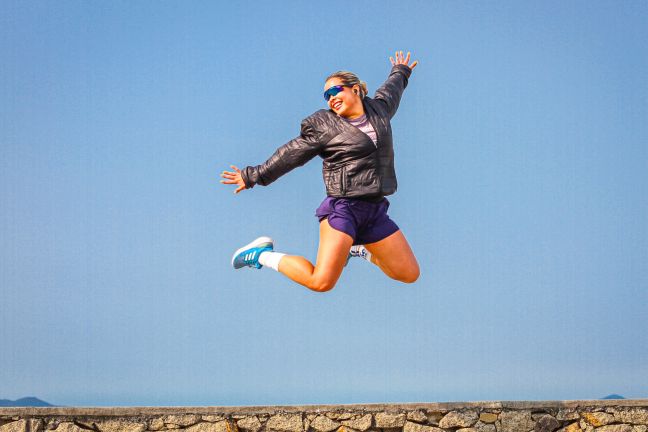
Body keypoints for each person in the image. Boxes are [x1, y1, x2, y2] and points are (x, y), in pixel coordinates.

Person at [221, 51, 420, 292]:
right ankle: (261, 255)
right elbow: (289, 154)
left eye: (336, 91)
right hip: (345, 208)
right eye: (327, 95)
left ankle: (357, 248)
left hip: (375, 209)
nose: (331, 98)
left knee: (408, 273)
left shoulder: (380, 110)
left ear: (355, 89)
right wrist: (251, 176)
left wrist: (401, 70)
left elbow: (392, 90)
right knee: (321, 282)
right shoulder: (323, 126)